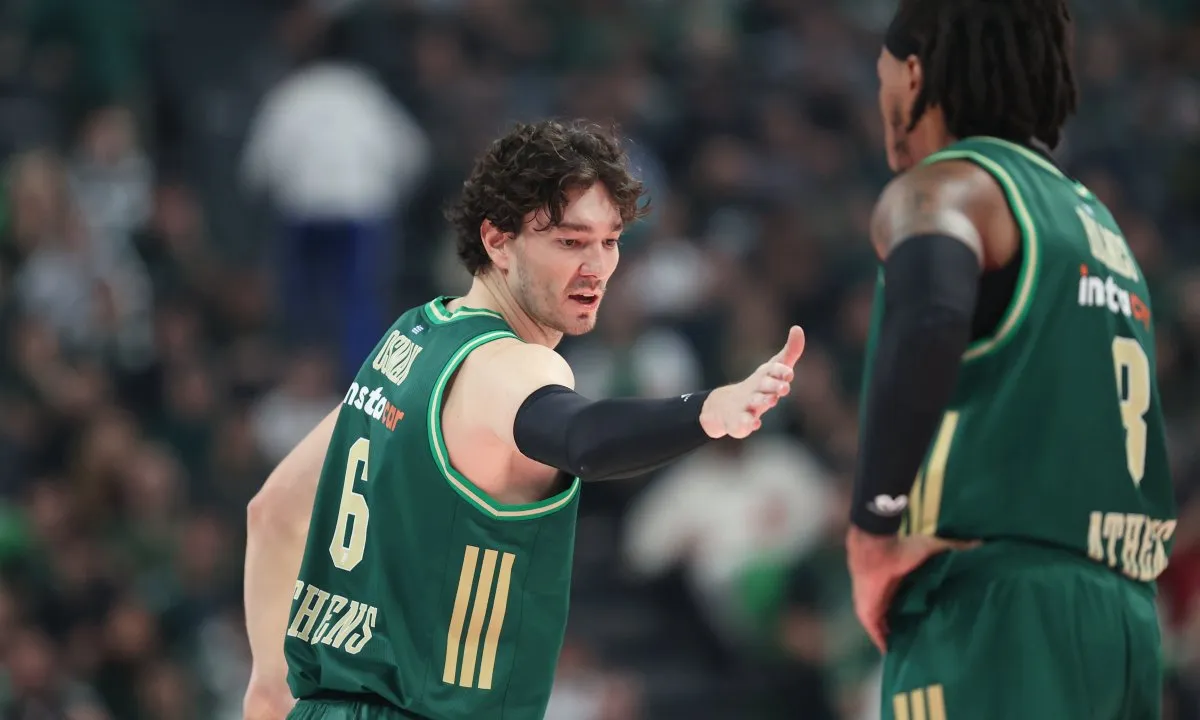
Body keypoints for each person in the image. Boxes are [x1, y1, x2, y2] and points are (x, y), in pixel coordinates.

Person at [241, 119, 807, 720]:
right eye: (570, 242)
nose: (597, 266)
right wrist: (709, 411)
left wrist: (269, 687)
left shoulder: (409, 340)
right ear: (498, 241)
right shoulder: (511, 364)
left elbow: (272, 511)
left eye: (610, 240)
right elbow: (581, 438)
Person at [845, 0, 1177, 718]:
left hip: (993, 606)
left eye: (881, 82)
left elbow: (930, 317)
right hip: (1124, 624)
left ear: (912, 76)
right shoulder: (1096, 226)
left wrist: (872, 530)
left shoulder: (946, 186)